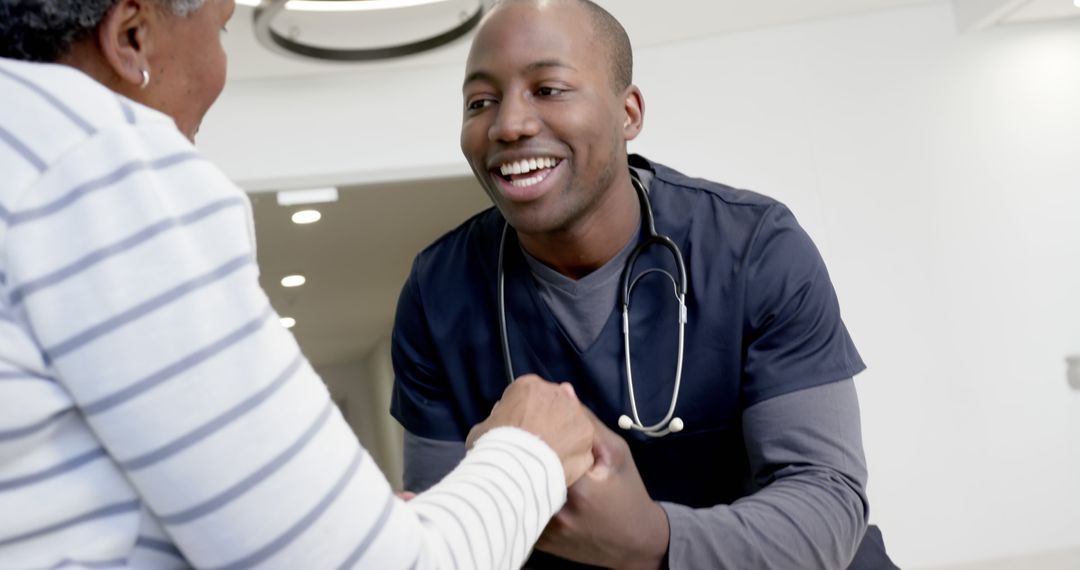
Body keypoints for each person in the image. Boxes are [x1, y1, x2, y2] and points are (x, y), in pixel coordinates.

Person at [0, 0, 598, 567]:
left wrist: (345, 526)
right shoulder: (101, 161)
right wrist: (532, 447)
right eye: (223, 27)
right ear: (133, 36)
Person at [390, 0, 898, 568]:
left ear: (628, 112)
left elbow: (827, 507)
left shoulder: (753, 246)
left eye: (549, 88)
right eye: (481, 102)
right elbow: (448, 538)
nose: (509, 124)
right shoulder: (439, 292)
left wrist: (651, 539)